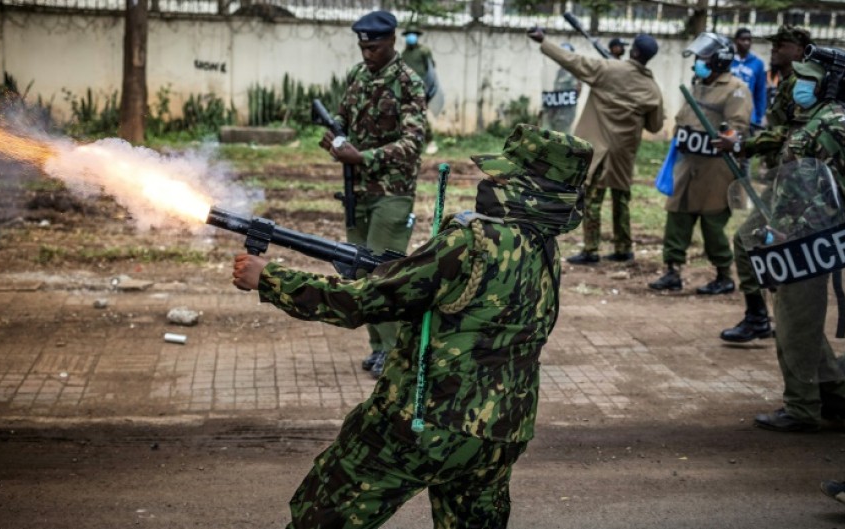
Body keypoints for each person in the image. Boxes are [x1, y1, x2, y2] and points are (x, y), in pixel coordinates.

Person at [232, 124, 593, 529]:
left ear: (528, 186)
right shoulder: (546, 249)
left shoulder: (473, 240)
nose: (491, 181)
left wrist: (268, 279)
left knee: (322, 517)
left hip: (425, 425)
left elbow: (363, 301)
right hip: (500, 433)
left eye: (504, 175)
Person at [717, 55, 845, 432]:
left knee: (795, 323)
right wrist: (740, 146)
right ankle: (837, 401)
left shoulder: (834, 119)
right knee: (801, 319)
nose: (795, 85)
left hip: (811, 235)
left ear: (827, 86)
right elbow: (788, 155)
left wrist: (783, 229)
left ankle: (802, 409)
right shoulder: (814, 117)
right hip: (797, 232)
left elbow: (824, 185)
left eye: (806, 79)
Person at [320, 10, 426, 379]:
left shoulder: (409, 82)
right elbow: (344, 119)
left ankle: (397, 354)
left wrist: (363, 157)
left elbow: (413, 142)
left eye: (375, 48)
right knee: (359, 272)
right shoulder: (357, 75)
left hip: (392, 193)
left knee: (385, 270)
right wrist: (336, 140)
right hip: (357, 192)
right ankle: (378, 347)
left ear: (392, 41)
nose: (367, 54)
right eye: (363, 47)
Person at [528, 28, 664, 264]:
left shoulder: (608, 70)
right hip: (623, 153)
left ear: (634, 50)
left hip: (599, 148)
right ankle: (624, 248)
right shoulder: (652, 89)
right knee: (621, 199)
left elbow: (573, 61)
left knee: (592, 198)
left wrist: (545, 41)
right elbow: (655, 125)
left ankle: (591, 249)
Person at [714, 25, 812, 343]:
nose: (775, 49)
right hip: (784, 180)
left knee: (757, 244)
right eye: (774, 44)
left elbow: (790, 133)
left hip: (800, 186)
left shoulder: (803, 85)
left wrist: (743, 145)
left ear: (799, 50)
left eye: (782, 45)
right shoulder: (785, 81)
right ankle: (762, 316)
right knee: (753, 242)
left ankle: (777, 321)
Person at [648, 33, 751, 294]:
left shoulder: (736, 89)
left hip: (715, 170)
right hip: (687, 164)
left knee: (712, 223)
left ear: (719, 60)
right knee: (677, 216)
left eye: (703, 58)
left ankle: (724, 275)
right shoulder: (699, 84)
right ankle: (672, 271)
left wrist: (728, 137)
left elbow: (738, 128)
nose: (698, 62)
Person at [401, 23, 440, 155]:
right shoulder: (404, 54)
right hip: (407, 88)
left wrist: (430, 88)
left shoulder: (424, 51)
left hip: (422, 88)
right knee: (406, 115)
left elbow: (431, 70)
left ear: (417, 36)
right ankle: (410, 142)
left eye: (413, 35)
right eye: (408, 35)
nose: (411, 37)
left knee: (421, 114)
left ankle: (430, 141)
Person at [729, 27, 768, 130]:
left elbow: (760, 92)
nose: (746, 43)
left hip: (748, 113)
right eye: (743, 39)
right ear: (736, 41)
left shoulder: (758, 63)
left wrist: (759, 117)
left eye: (749, 40)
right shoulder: (728, 60)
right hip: (728, 108)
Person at [542, 43, 583, 134]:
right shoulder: (559, 71)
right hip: (556, 110)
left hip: (566, 112)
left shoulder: (574, 71)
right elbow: (556, 90)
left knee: (564, 137)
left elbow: (577, 92)